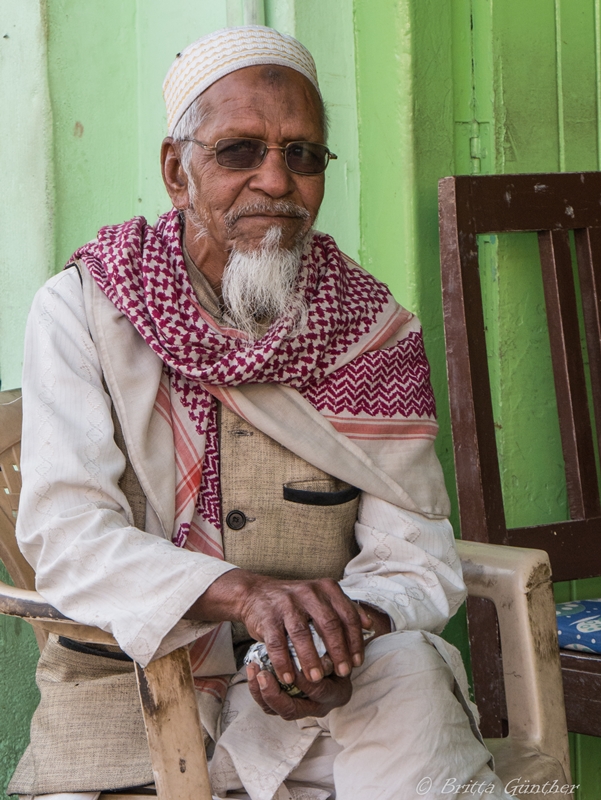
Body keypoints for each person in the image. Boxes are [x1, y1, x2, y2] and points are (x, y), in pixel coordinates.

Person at [10, 25, 512, 800]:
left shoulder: (370, 329)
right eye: (239, 151)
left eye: (302, 155)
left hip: (324, 707)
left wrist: (338, 640)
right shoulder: (85, 310)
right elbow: (68, 538)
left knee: (409, 670)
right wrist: (245, 592)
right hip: (129, 705)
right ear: (178, 171)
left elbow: (413, 553)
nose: (276, 181)